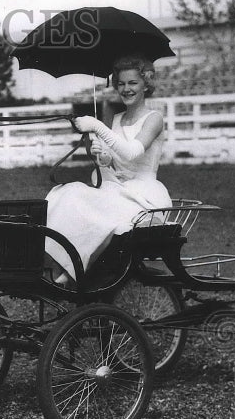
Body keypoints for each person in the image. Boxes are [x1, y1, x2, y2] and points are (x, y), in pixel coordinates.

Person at [44, 55, 171, 284]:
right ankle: (67, 261)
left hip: (143, 195)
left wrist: (97, 126)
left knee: (103, 217)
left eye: (133, 83)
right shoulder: (118, 118)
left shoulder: (154, 119)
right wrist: (101, 155)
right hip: (116, 187)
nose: (126, 89)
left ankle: (78, 267)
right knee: (67, 193)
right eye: (121, 83)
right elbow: (114, 160)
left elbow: (132, 152)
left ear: (146, 84)